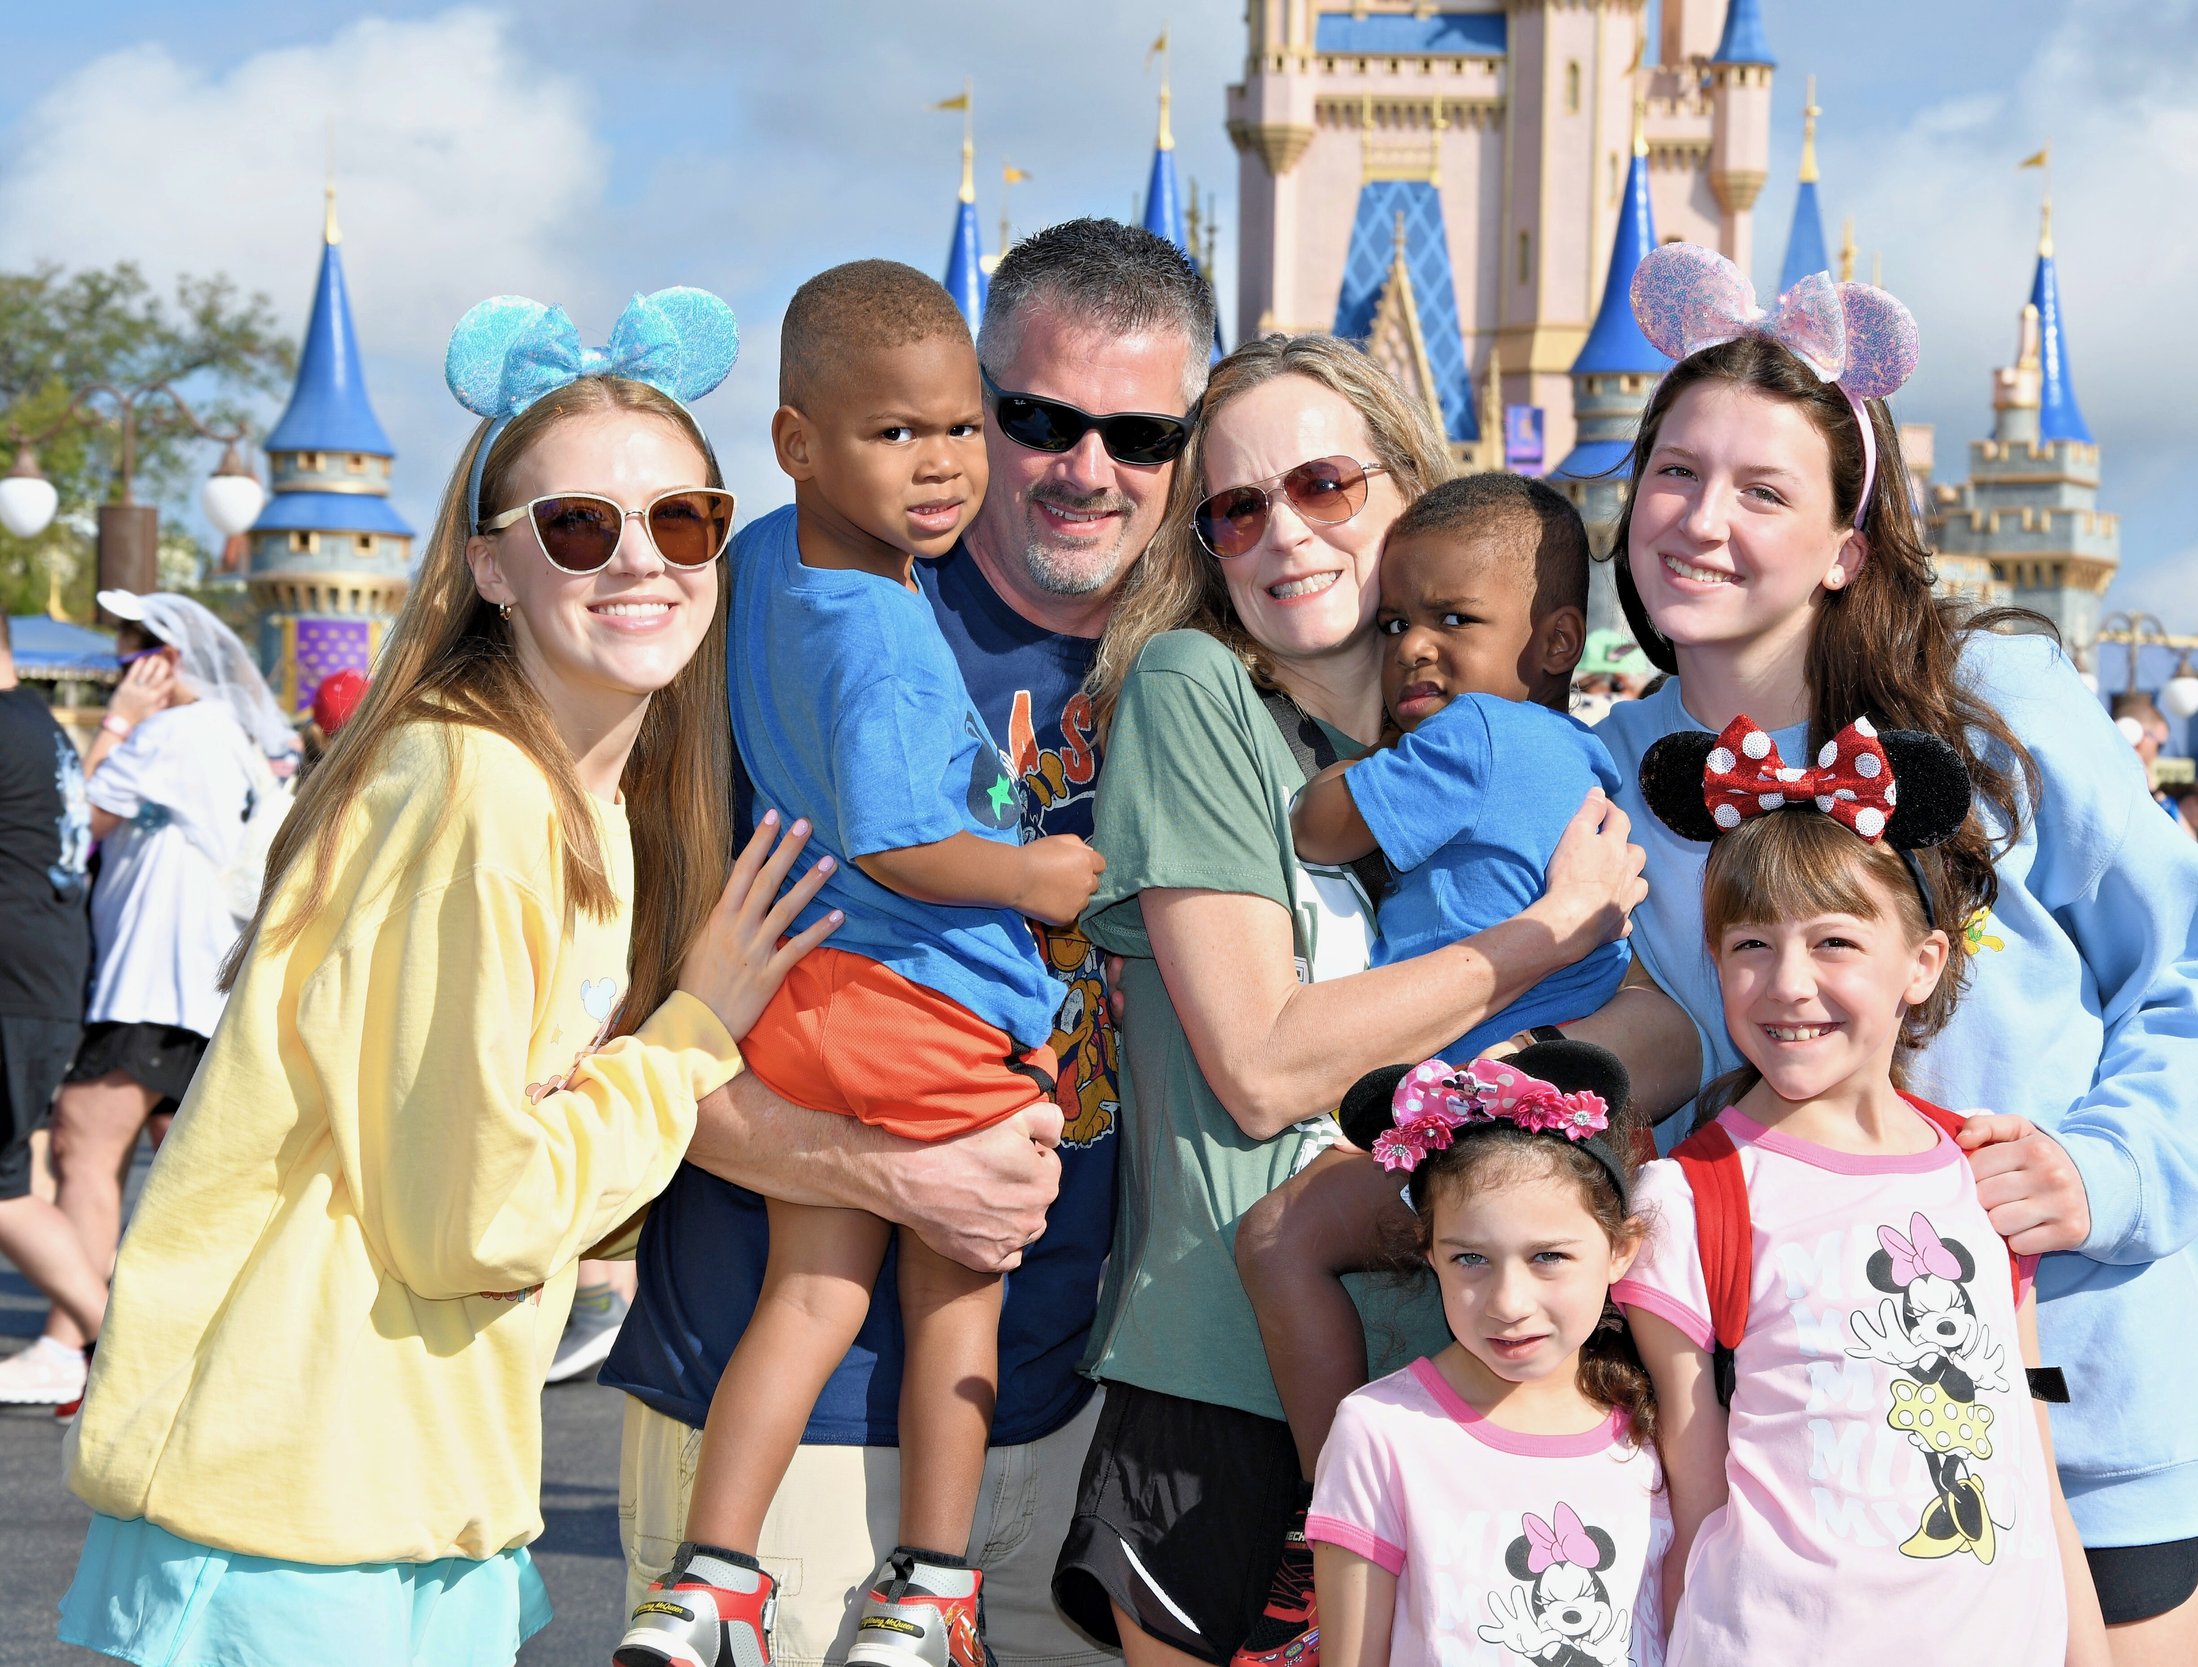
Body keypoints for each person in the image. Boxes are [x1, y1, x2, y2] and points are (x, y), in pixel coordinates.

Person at [56, 290, 834, 1667]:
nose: (639, 558)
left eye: (684, 518)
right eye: (579, 526)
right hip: (307, 1502)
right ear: (491, 565)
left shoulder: (567, 793)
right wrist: (689, 1032)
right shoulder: (478, 786)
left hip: (397, 1478)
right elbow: (470, 1213)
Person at [1579, 242, 2198, 1665]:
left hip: (2089, 1395)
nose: (1702, 520)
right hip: (1815, 1465)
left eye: (1762, 489)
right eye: (1675, 473)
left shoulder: (1991, 705)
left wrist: (2109, 1169)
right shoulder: (1616, 773)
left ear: (1846, 539)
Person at [603, 219, 1214, 1667]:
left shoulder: (1221, 657)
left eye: (1140, 431)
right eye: (1037, 418)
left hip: (1077, 1418)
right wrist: (889, 1169)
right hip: (806, 1436)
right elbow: (607, 1014)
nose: (1085, 464)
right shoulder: (769, 606)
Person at [1056, 334, 1653, 1667]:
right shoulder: (1198, 688)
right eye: (1238, 506)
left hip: (1441, 1360)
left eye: (1324, 484)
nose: (1286, 534)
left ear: (1406, 495)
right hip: (1222, 1370)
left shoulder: (1456, 745)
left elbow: (1663, 1010)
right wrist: (1542, 931)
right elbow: (1264, 1066)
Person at [1228, 471, 1631, 1650]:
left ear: (1553, 639)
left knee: (1277, 1238)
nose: (1412, 648)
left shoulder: (1475, 734)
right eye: (1394, 621)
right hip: (1573, 1119)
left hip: (1474, 1115)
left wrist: (1331, 745)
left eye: (1453, 620)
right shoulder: (1586, 757)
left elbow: (1317, 825)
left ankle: (1329, 1516)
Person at [1617, 719, 2104, 1665]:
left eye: (1834, 940)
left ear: (1921, 964)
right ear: (1715, 963)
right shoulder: (1690, 1196)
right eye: (1752, 943)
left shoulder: (1980, 1170)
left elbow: (2030, 1453)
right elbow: (1692, 1496)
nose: (1788, 982)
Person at [1308, 1045, 1669, 1667]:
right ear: (1429, 1253)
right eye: (1470, 1258)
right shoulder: (1381, 1432)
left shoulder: (1656, 1431)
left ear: (1621, 1249)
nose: (1509, 1302)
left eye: (1548, 1256)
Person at [36, 587, 298, 1399]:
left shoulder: (179, 732)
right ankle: (212, 1343)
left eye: (128, 643)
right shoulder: (212, 734)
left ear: (165, 658)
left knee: (82, 1137)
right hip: (184, 982)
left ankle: (74, 1343)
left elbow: (66, 824)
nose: (118, 656)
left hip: (154, 978)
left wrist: (115, 720)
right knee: (189, 1170)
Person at [0, 615, 107, 1408]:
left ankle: (121, 1342)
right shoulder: (37, 723)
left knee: (4, 1187)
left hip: (15, 983)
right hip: (43, 978)